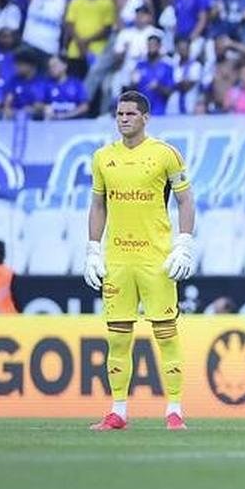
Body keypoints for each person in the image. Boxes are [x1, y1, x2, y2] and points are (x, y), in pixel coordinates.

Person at [84, 91, 196, 431]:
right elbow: (98, 205)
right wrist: (92, 249)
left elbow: (186, 201)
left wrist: (184, 244)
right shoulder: (103, 157)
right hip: (118, 259)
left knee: (166, 334)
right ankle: (118, 412)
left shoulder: (165, 154)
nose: (123, 119)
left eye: (130, 114)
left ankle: (174, 410)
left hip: (156, 259)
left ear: (145, 117)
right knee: (118, 336)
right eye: (119, 113)